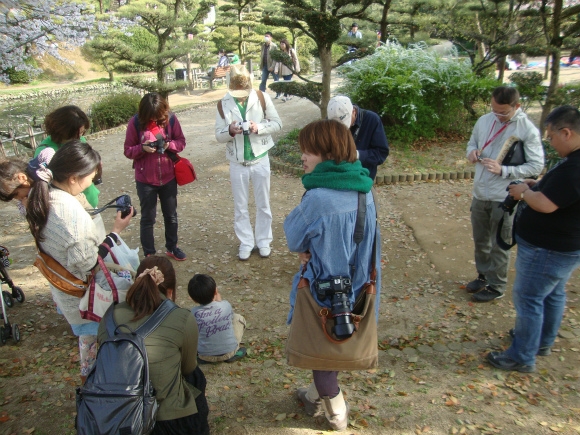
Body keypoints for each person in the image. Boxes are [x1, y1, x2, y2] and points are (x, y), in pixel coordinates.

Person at [284, 119, 380, 431]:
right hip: (357, 287)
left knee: (321, 349)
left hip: (323, 290)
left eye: (308, 151)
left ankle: (336, 413)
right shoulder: (365, 189)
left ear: (327, 153)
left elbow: (294, 237)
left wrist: (306, 248)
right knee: (333, 342)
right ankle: (313, 394)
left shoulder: (317, 198)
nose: (302, 156)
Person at [25, 141, 134, 383]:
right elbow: (88, 264)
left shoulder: (43, 193)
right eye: (91, 176)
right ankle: (98, 390)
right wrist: (116, 231)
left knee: (88, 348)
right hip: (84, 300)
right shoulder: (69, 215)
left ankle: (92, 386)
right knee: (95, 350)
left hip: (63, 288)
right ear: (74, 178)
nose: (92, 181)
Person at [486, 106, 580, 372]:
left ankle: (522, 356)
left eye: (551, 136)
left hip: (548, 249)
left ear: (567, 132)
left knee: (529, 299)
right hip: (564, 247)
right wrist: (535, 185)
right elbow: (561, 195)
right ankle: (541, 341)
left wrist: (524, 194)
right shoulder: (572, 162)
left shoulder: (574, 168)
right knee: (552, 294)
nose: (550, 141)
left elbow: (547, 204)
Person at [98, 256, 209, 434]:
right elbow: (187, 367)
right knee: (196, 376)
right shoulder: (182, 317)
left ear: (136, 282)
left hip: (117, 412)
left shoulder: (109, 317)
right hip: (166, 419)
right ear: (170, 291)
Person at [465, 86, 544, 302]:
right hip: (480, 192)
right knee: (481, 240)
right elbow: (472, 143)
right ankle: (482, 276)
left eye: (503, 112)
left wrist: (504, 170)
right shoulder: (484, 120)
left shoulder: (527, 129)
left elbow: (536, 166)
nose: (497, 116)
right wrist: (471, 152)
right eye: (494, 110)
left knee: (499, 242)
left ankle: (496, 285)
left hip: (504, 195)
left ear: (517, 106)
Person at [214, 64, 282, 261]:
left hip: (260, 158)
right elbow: (218, 135)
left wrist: (258, 127)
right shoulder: (223, 104)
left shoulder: (261, 97)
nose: (240, 95)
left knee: (263, 203)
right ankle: (246, 242)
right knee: (240, 206)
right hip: (237, 162)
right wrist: (229, 130)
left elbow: (277, 123)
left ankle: (264, 240)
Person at [124, 92, 187, 261]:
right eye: (151, 116)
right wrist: (142, 148)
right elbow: (128, 150)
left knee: (171, 215)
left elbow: (181, 142)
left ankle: (172, 247)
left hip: (168, 176)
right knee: (148, 218)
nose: (154, 119)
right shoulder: (135, 122)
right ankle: (149, 253)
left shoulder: (170, 119)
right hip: (145, 179)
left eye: (157, 116)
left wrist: (169, 145)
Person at [35, 105, 99, 208]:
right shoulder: (45, 151)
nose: (80, 136)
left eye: (82, 132)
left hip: (90, 200)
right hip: (71, 206)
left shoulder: (79, 140)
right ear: (64, 130)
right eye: (77, 133)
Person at [327, 95, 389, 181]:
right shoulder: (327, 122)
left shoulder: (372, 120)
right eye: (336, 126)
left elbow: (381, 154)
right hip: (335, 177)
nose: (343, 130)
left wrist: (356, 154)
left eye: (345, 124)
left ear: (353, 111)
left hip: (362, 179)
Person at [188, 273, 247, 363]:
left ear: (193, 299)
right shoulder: (226, 305)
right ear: (216, 291)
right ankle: (235, 353)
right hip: (229, 352)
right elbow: (230, 318)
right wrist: (219, 300)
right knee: (238, 318)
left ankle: (203, 356)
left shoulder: (193, 313)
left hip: (204, 355)